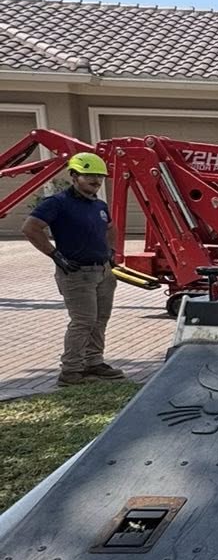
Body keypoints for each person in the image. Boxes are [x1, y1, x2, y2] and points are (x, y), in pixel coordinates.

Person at [22, 150, 126, 387]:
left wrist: (111, 253)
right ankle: (70, 370)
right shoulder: (57, 203)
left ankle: (94, 362)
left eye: (99, 177)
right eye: (89, 176)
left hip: (102, 271)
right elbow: (31, 228)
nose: (96, 181)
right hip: (76, 273)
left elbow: (111, 228)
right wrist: (55, 255)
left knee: (100, 319)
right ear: (74, 175)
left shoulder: (99, 205)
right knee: (83, 321)